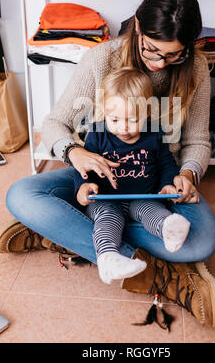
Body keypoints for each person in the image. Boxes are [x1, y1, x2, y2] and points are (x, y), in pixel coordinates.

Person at [0, 0, 215, 328]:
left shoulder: (197, 69)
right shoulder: (102, 58)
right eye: (152, 50)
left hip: (158, 183)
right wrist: (76, 153)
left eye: (174, 55)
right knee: (22, 195)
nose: (160, 63)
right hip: (100, 181)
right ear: (137, 27)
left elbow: (197, 140)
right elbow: (56, 124)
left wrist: (187, 175)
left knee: (203, 242)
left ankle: (64, 231)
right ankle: (155, 273)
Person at [75, 67, 191, 284]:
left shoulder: (154, 132)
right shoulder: (98, 134)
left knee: (152, 211)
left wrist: (167, 184)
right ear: (104, 112)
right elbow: (84, 167)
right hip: (106, 199)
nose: (124, 128)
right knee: (108, 219)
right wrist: (84, 186)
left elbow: (166, 163)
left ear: (147, 112)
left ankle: (169, 228)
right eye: (115, 120)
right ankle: (109, 259)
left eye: (132, 120)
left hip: (143, 196)